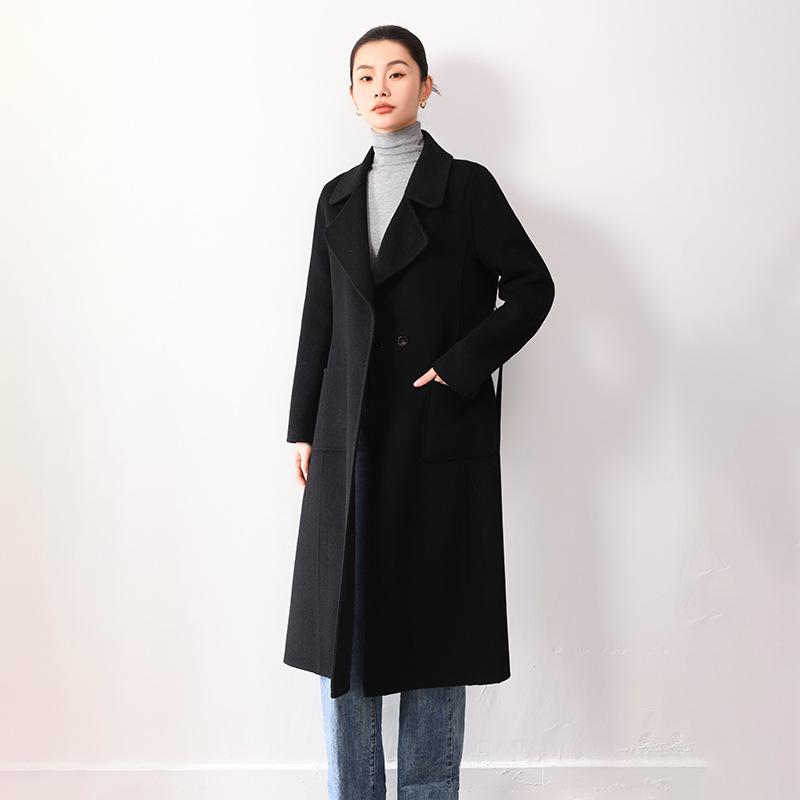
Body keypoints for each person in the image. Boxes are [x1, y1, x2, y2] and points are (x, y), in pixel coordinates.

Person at [284, 24, 555, 800]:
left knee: (436, 634)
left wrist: (462, 365)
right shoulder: (336, 196)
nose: (381, 87)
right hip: (348, 438)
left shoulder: (466, 188)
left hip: (436, 433)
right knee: (344, 635)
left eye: (398, 72)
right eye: (366, 75)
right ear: (350, 94)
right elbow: (319, 318)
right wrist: (302, 426)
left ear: (426, 87)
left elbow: (532, 287)